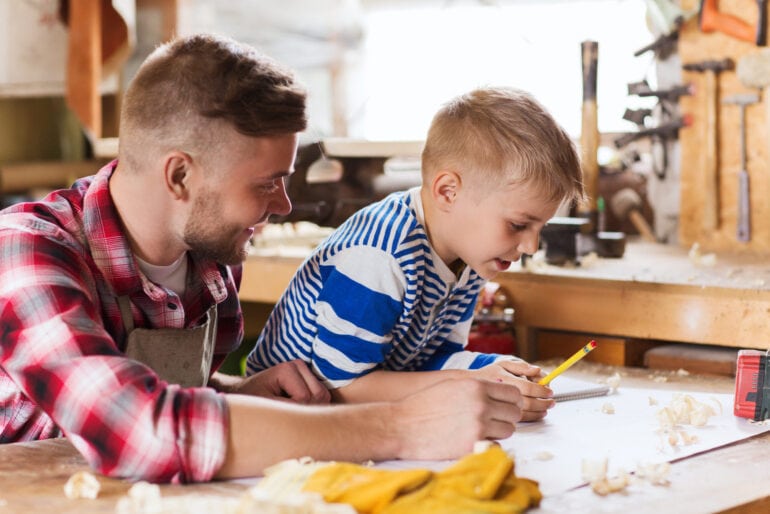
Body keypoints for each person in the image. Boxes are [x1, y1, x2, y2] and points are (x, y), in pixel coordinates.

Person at [0, 34, 526, 483]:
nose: (284, 204)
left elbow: (158, 385)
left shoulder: (211, 256)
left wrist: (239, 389)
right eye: (266, 183)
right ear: (180, 175)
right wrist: (402, 426)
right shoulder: (26, 252)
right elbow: (135, 429)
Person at [246, 86, 585, 417]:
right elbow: (340, 387)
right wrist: (468, 383)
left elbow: (429, 363)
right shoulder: (380, 256)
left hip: (357, 410)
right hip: (285, 414)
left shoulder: (469, 256)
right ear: (448, 192)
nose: (530, 246)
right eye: (517, 225)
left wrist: (496, 373)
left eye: (541, 228)